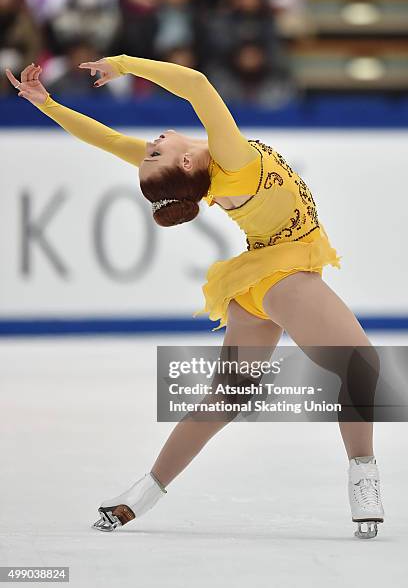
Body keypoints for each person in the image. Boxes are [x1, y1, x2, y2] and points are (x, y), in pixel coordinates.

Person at [5, 56, 385, 539]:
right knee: (361, 367)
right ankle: (364, 473)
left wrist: (47, 104)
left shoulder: (207, 175)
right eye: (156, 151)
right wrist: (123, 65)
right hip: (283, 274)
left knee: (228, 395)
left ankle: (142, 493)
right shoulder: (232, 159)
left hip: (254, 284)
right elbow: (197, 84)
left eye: (151, 151)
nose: (153, 142)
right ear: (185, 163)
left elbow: (108, 140)